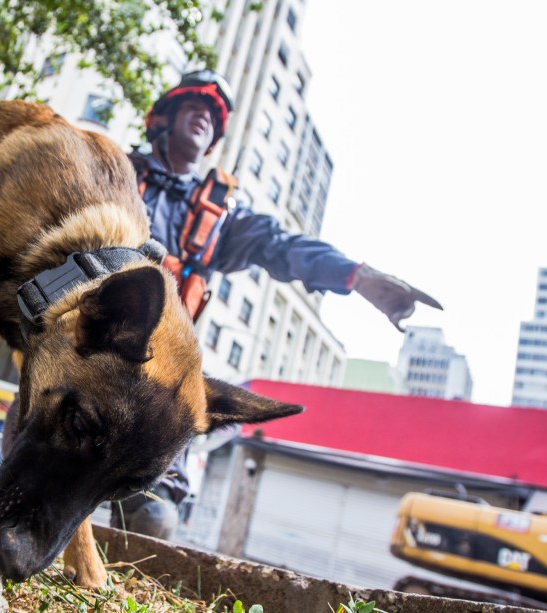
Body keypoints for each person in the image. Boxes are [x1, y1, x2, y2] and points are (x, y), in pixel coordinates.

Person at [110, 70, 442, 539]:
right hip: (92, 340)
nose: (205, 116)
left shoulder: (220, 215)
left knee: (153, 520)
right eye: (194, 106)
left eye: (214, 115)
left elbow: (283, 246)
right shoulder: (115, 173)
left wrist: (358, 277)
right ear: (164, 117)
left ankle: (152, 495)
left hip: (159, 368)